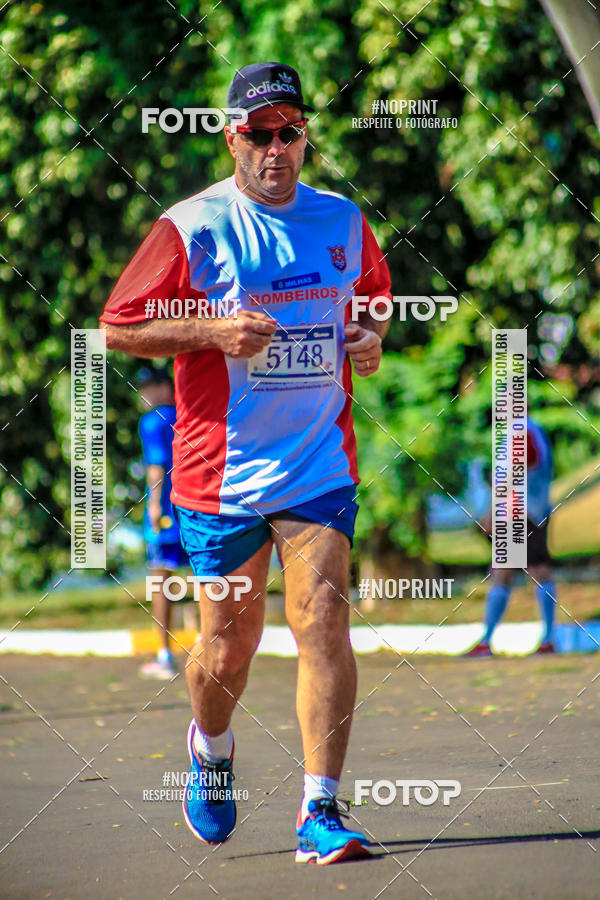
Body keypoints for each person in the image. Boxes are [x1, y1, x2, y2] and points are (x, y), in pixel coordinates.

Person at [100, 61, 391, 864]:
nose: (275, 148)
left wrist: (370, 339)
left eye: (289, 132)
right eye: (258, 134)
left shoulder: (341, 221)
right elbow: (119, 326)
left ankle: (320, 812)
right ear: (232, 137)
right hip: (218, 474)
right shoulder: (192, 227)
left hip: (318, 463)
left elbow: (371, 302)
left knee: (322, 617)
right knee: (227, 650)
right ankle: (212, 747)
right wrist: (212, 332)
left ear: (306, 137)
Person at [466, 415, 557, 657]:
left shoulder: (521, 431)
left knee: (534, 570)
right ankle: (489, 639)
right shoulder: (533, 430)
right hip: (530, 510)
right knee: (505, 572)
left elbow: (513, 474)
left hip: (521, 512)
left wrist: (492, 512)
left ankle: (547, 638)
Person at [137, 365, 189, 679]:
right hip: (195, 509)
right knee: (205, 580)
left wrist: (154, 506)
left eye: (148, 387)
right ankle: (209, 650)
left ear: (165, 387)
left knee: (161, 582)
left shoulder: (152, 422)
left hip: (167, 514)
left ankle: (164, 655)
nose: (142, 394)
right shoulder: (188, 416)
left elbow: (156, 466)